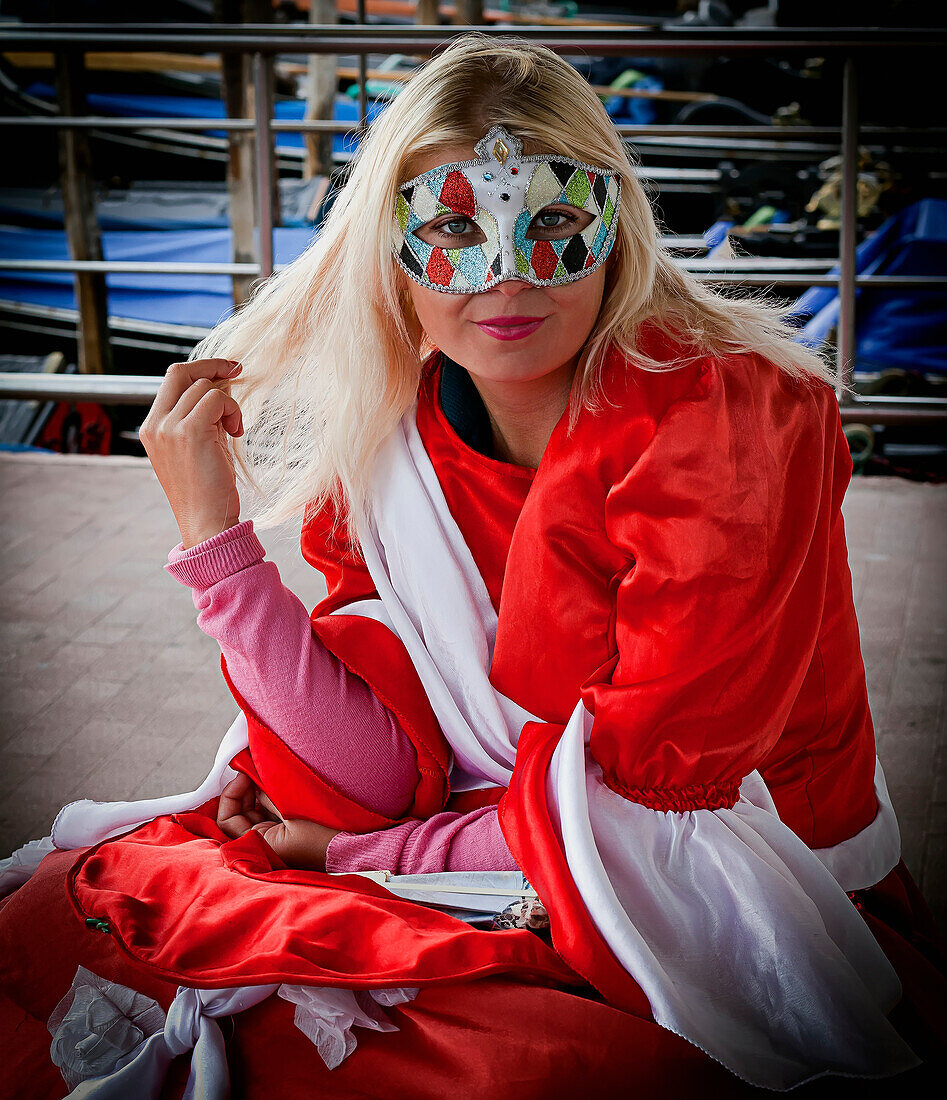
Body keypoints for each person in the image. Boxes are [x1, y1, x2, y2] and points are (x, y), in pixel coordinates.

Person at [1, 32, 944, 1099]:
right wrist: (219, 546)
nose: (503, 274)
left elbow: (652, 822)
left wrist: (350, 860)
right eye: (453, 223)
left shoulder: (719, 428)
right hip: (480, 840)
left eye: (549, 220)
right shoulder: (393, 429)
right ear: (389, 248)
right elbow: (370, 770)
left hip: (722, 889)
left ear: (612, 225)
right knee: (75, 914)